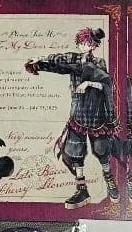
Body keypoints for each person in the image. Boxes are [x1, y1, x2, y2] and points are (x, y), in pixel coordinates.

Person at [26, 27, 119, 208]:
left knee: (101, 150)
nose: (81, 45)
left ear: (93, 45)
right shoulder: (73, 59)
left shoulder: (99, 62)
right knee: (75, 152)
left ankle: (110, 182)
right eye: (80, 42)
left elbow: (107, 85)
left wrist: (89, 83)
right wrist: (39, 61)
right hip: (78, 113)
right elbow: (58, 63)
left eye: (85, 43)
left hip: (96, 114)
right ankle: (81, 189)